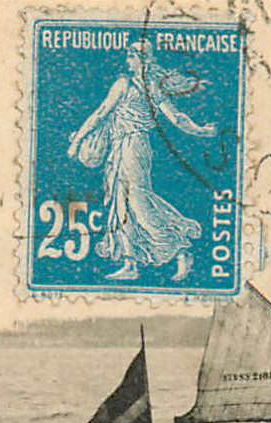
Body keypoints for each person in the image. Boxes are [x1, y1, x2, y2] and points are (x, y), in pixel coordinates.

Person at [66, 40, 217, 282]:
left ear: (142, 59)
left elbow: (100, 113)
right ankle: (130, 262)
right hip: (122, 147)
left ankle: (179, 250)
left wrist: (76, 142)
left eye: (131, 56)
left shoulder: (128, 85)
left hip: (133, 147)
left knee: (138, 202)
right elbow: (176, 118)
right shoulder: (148, 87)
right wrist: (201, 130)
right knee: (120, 203)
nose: (127, 61)